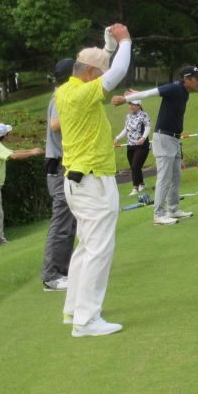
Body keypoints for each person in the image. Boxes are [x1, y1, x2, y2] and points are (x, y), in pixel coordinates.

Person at [55, 24, 131, 337]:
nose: (104, 80)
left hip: (78, 181)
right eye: (99, 74)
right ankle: (86, 320)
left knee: (87, 246)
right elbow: (117, 73)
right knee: (99, 248)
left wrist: (108, 46)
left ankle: (74, 310)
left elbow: (102, 66)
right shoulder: (83, 93)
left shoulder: (65, 90)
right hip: (92, 180)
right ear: (89, 74)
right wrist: (125, 41)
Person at [112, 66, 198, 225]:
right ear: (186, 79)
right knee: (164, 178)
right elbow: (151, 93)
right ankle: (159, 214)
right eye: (196, 78)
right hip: (164, 138)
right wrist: (126, 99)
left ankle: (173, 209)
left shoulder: (184, 93)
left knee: (175, 176)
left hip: (174, 139)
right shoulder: (174, 88)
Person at [0, 124, 43, 255]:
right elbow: (14, 156)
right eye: (8, 133)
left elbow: (13, 152)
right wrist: (32, 153)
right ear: (5, 135)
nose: (9, 135)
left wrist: (31, 150)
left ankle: (1, 241)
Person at [41, 58, 77, 291]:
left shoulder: (63, 94)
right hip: (58, 167)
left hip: (64, 166)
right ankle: (51, 275)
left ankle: (63, 270)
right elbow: (55, 124)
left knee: (70, 222)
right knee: (62, 222)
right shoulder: (60, 95)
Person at [114, 100, 152, 196]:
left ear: (139, 106)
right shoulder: (128, 116)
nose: (131, 106)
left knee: (135, 165)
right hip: (130, 146)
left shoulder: (144, 115)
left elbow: (148, 127)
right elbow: (126, 129)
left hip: (142, 146)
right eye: (130, 104)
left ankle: (135, 188)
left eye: (133, 105)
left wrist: (143, 138)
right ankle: (142, 184)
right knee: (134, 167)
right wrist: (118, 137)